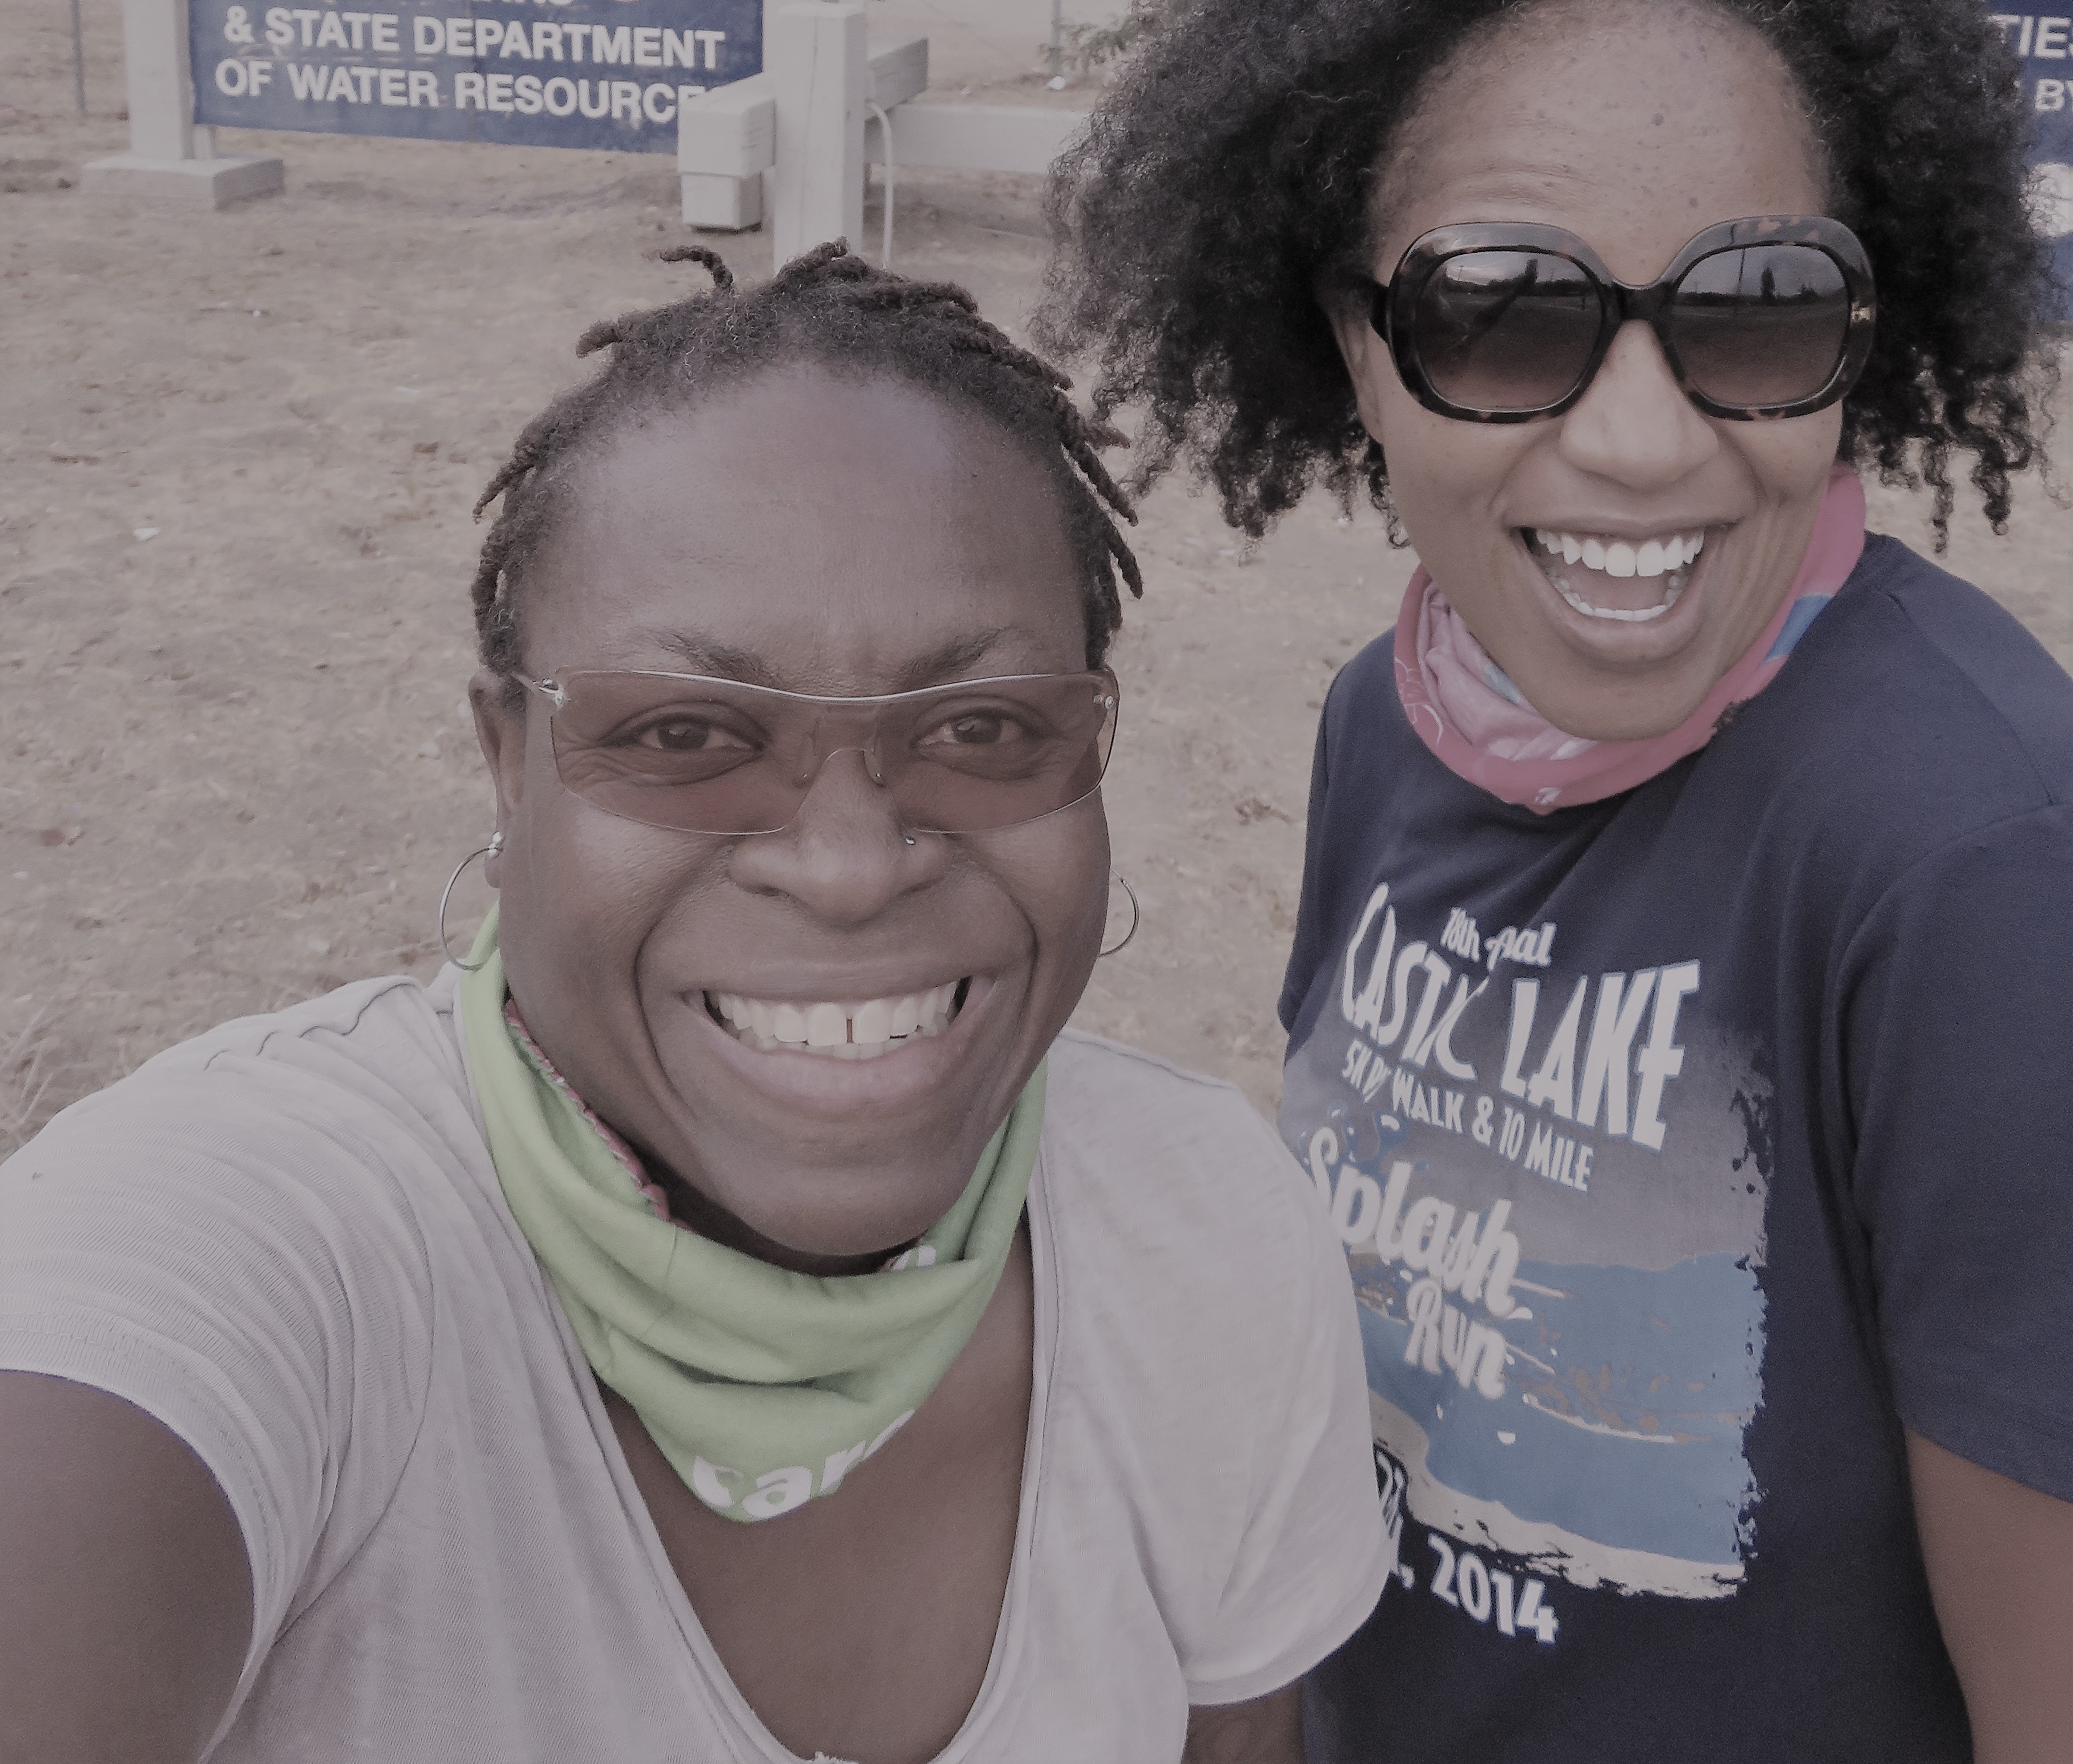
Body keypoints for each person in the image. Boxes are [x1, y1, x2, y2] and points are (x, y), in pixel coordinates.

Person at [0, 244, 1388, 1764]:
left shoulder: (1209, 1240)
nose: (848, 868)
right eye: (683, 734)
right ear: (509, 766)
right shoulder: (263, 1246)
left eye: (984, 727)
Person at [1043, 0, 2073, 1763]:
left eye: (1755, 313)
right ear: (1353, 343)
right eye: (1502, 314)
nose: (1642, 441)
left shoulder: (1976, 860)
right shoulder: (1386, 719)